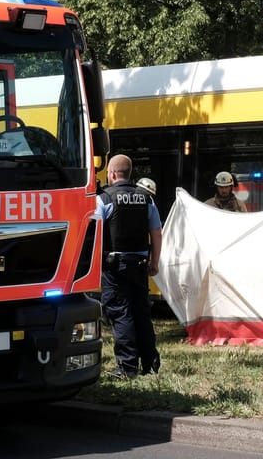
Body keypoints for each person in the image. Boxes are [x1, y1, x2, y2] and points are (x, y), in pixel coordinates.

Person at [98, 154, 163, 378]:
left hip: (114, 266)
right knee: (141, 313)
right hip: (140, 264)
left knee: (121, 313)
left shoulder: (105, 198)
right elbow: (156, 232)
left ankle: (127, 368)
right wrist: (155, 261)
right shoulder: (146, 198)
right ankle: (151, 364)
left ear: (113, 173)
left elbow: (94, 230)